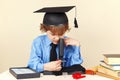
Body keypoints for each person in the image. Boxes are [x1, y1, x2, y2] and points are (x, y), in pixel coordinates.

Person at [27, 6, 86, 75]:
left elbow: (75, 66)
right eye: (53, 34)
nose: (57, 38)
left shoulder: (67, 43)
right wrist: (44, 67)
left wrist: (77, 46)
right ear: (45, 29)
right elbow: (32, 64)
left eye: (61, 34)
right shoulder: (38, 42)